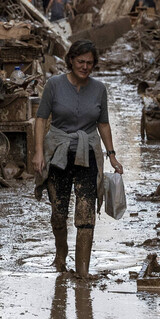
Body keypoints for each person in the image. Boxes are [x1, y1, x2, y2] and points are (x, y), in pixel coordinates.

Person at [33, 40, 123, 278]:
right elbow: (41, 119)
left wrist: (112, 156)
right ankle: (61, 252)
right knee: (58, 212)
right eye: (81, 61)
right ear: (71, 60)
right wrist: (39, 152)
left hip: (88, 154)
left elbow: (103, 123)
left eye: (90, 63)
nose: (85, 67)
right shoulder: (54, 85)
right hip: (58, 155)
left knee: (86, 214)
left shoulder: (99, 89)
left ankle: (83, 270)